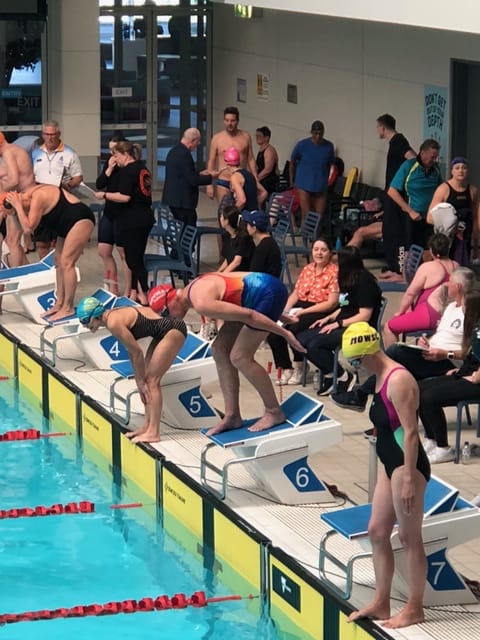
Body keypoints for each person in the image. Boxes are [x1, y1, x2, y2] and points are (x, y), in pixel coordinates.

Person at [343, 322, 430, 629]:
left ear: (367, 353)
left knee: (409, 537)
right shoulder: (380, 375)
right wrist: (387, 469)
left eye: (355, 361)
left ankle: (415, 608)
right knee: (377, 531)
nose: (356, 367)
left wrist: (406, 477)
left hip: (409, 466)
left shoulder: (399, 380)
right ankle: (381, 602)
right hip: (389, 464)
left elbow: (410, 433)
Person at [147, 273, 306, 435]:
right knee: (220, 350)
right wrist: (277, 313)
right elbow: (238, 292)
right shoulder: (191, 291)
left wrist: (284, 333)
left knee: (240, 356)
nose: (169, 318)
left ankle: (274, 411)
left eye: (165, 313)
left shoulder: (201, 302)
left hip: (266, 293)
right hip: (257, 295)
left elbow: (250, 315)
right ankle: (232, 415)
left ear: (173, 300)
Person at [331, 266, 476, 411]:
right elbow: (442, 334)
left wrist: (444, 353)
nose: (446, 284)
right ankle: (379, 416)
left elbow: (471, 352)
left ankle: (361, 396)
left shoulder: (471, 313)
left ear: (458, 286)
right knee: (394, 367)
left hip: (448, 361)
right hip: (430, 354)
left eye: (449, 282)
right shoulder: (451, 307)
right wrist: (427, 341)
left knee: (394, 357)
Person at [76, 295, 187, 444]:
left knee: (152, 382)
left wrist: (140, 381)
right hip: (162, 332)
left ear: (95, 316)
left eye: (85, 321)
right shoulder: (111, 319)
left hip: (173, 329)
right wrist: (139, 381)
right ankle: (147, 426)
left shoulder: (113, 322)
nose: (84, 326)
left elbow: (137, 352)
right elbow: (131, 350)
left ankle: (154, 432)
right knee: (146, 382)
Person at [297, 245, 382, 395]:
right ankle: (330, 373)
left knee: (315, 345)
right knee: (300, 339)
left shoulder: (365, 282)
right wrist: (328, 318)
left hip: (358, 328)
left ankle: (343, 375)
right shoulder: (347, 279)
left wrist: (339, 323)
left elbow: (364, 316)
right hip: (342, 322)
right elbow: (345, 306)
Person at [4, 184, 95, 322]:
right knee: (58, 262)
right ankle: (59, 304)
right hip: (64, 226)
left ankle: (68, 307)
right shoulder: (23, 203)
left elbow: (28, 229)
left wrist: (17, 206)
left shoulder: (37, 197)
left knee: (67, 262)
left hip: (80, 219)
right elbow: (21, 228)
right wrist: (14, 213)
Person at [267, 237, 339, 385]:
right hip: (300, 306)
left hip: (319, 310)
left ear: (330, 253)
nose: (319, 253)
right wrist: (283, 311)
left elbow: (331, 303)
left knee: (293, 330)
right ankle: (285, 367)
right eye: (316, 250)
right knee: (274, 329)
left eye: (323, 250)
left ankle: (299, 366)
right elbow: (296, 294)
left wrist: (302, 312)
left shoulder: (335, 272)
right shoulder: (307, 269)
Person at [419, 290, 480, 464]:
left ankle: (443, 447)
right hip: (467, 372)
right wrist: (449, 357)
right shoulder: (472, 326)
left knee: (429, 398)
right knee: (419, 387)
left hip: (477, 380)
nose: (461, 309)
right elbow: (468, 353)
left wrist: (476, 377)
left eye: (465, 306)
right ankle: (431, 439)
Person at [94, 140, 154, 305]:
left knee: (133, 260)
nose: (115, 159)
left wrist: (104, 195)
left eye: (117, 155)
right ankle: (137, 291)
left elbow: (125, 197)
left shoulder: (128, 171)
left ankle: (145, 293)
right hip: (145, 217)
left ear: (125, 154)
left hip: (133, 220)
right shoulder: (142, 167)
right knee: (135, 257)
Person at [383, 233, 457, 347]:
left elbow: (410, 293)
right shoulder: (456, 266)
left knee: (389, 327)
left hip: (429, 314)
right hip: (448, 315)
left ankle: (394, 362)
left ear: (431, 250)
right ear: (448, 248)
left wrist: (400, 312)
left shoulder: (428, 267)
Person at [32, 120, 84, 258]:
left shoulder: (69, 153)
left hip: (61, 202)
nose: (50, 137)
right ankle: (46, 272)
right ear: (43, 135)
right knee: (42, 243)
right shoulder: (36, 153)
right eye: (47, 134)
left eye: (53, 134)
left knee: (61, 241)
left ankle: (60, 269)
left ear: (59, 134)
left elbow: (78, 177)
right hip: (41, 202)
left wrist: (69, 185)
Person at [375, 114, 416, 279]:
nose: (377, 131)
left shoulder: (399, 141)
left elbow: (413, 158)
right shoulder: (393, 143)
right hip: (391, 195)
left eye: (378, 127)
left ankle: (399, 269)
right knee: (388, 230)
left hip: (397, 194)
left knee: (396, 232)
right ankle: (393, 266)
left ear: (383, 127)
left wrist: (404, 179)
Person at [387, 138, 442, 252]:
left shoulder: (436, 169)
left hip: (430, 218)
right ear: (422, 153)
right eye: (432, 157)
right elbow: (392, 191)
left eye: (436, 157)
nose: (434, 160)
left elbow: (442, 190)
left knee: (430, 249)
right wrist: (410, 211)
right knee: (412, 249)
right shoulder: (409, 166)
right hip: (412, 216)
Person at [95, 134, 131, 297]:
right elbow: (100, 184)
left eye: (115, 151)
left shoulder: (130, 167)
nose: (112, 154)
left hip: (123, 214)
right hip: (109, 212)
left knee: (124, 254)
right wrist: (109, 169)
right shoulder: (110, 164)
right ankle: (113, 286)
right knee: (103, 250)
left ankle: (130, 289)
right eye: (110, 151)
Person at [427, 156, 480, 266]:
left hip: (465, 234)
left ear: (468, 171)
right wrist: (451, 224)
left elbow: (476, 218)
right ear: (452, 171)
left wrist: (476, 244)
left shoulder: (473, 191)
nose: (461, 170)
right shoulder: (443, 189)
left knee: (462, 268)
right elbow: (429, 218)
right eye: (457, 168)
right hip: (446, 236)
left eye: (464, 168)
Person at [162, 127, 215, 227]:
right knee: (189, 232)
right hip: (182, 202)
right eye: (198, 141)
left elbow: (184, 174)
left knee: (182, 230)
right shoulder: (184, 155)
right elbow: (192, 180)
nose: (198, 144)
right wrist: (210, 178)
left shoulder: (174, 150)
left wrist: (199, 174)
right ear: (192, 140)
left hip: (174, 200)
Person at [206, 106, 257, 204]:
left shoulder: (245, 137)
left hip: (241, 180)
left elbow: (250, 159)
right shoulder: (217, 138)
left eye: (232, 120)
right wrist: (209, 184)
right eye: (227, 120)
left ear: (237, 121)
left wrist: (255, 178)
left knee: (240, 210)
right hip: (223, 180)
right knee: (224, 211)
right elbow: (211, 161)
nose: (229, 123)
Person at [0, 131, 35, 267]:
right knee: (11, 240)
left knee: (13, 241)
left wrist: (2, 190)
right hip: (21, 198)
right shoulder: (13, 151)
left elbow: (14, 180)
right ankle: (28, 273)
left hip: (24, 198)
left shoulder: (8, 153)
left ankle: (14, 277)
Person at [289, 120, 335, 224]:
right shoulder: (302, 145)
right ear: (311, 132)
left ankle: (315, 238)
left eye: (320, 134)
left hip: (320, 184)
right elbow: (292, 162)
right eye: (315, 133)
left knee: (318, 216)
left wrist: (327, 181)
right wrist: (292, 180)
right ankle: (307, 239)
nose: (318, 136)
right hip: (303, 183)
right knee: (307, 213)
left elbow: (331, 164)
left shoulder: (329, 146)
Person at [227, 146, 268, 212]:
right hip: (255, 214)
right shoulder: (249, 174)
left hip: (245, 217)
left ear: (227, 164)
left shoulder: (235, 177)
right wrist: (255, 205)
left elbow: (242, 200)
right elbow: (264, 192)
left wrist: (232, 214)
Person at [243, 209, 282, 277]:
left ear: (254, 228)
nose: (246, 227)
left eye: (248, 224)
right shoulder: (269, 242)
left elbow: (253, 274)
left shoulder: (262, 249)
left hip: (265, 284)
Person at [218, 206, 254, 272]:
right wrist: (218, 272)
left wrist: (223, 275)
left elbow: (236, 262)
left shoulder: (244, 238)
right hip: (233, 272)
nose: (220, 219)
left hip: (243, 273)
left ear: (227, 221)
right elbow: (228, 259)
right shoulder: (227, 235)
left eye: (221, 217)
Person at [255, 126, 279, 198]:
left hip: (268, 182)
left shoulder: (269, 150)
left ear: (266, 138)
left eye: (259, 136)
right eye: (256, 136)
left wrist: (256, 179)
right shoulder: (261, 149)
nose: (257, 137)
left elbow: (268, 169)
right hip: (262, 180)